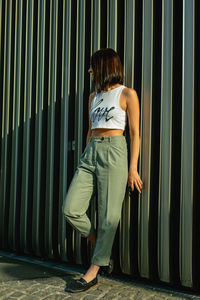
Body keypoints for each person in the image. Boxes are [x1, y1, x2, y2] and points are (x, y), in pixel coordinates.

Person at [63, 48, 143, 293]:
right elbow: (90, 128)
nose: (89, 71)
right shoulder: (93, 96)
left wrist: (133, 169)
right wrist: (85, 154)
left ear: (105, 67)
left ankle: (94, 270)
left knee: (108, 216)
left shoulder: (127, 93)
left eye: (92, 66)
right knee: (71, 209)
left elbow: (135, 134)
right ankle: (101, 246)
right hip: (91, 152)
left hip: (114, 151)